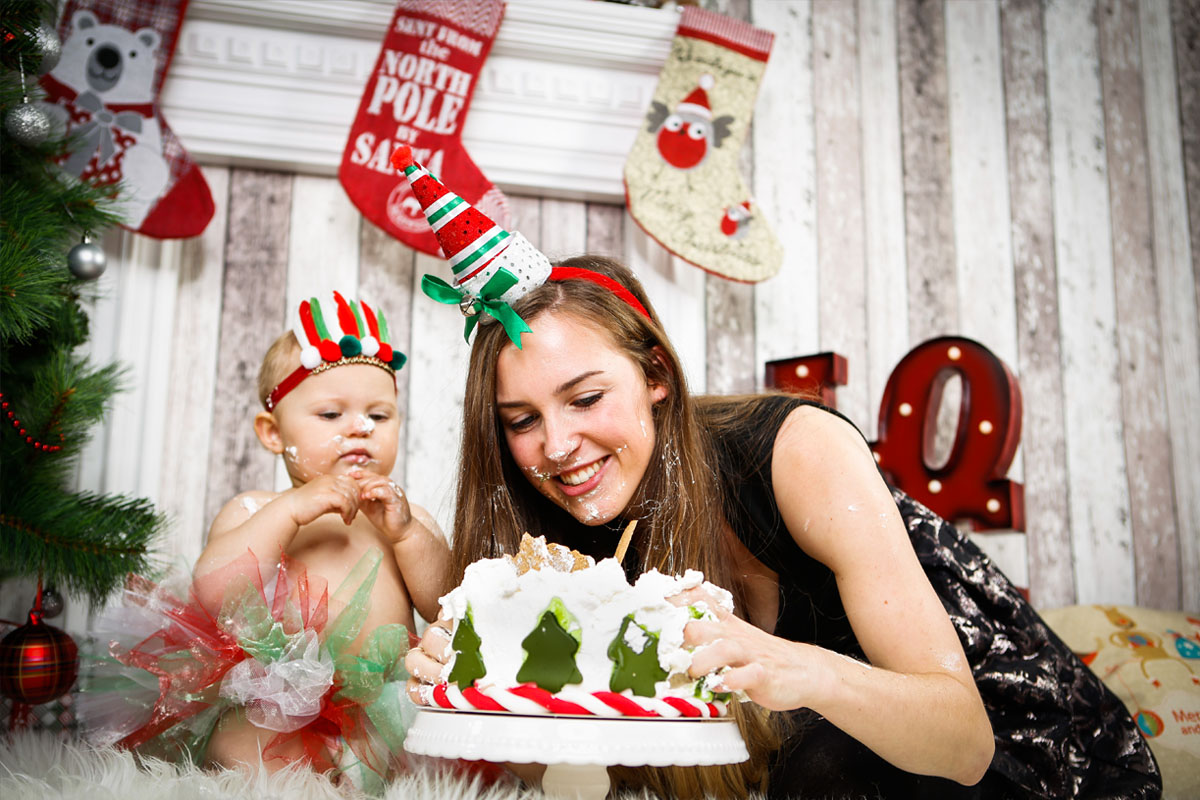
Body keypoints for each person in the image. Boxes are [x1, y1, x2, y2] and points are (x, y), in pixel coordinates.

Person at [402, 254, 1161, 799]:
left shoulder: (795, 451)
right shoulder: (568, 547)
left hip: (1025, 756)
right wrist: (486, 686)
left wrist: (793, 667)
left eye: (586, 398)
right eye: (523, 421)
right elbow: (607, 760)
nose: (558, 446)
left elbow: (963, 741)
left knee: (825, 758)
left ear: (656, 376)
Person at [80, 291, 448, 790]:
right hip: (275, 699)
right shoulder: (256, 509)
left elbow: (447, 602)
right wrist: (290, 510)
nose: (359, 429)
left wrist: (406, 534)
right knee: (238, 749)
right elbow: (214, 595)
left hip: (379, 701)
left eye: (378, 416)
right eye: (331, 415)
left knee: (416, 753)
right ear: (273, 433)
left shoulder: (401, 518)